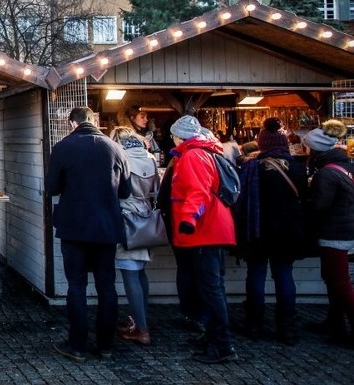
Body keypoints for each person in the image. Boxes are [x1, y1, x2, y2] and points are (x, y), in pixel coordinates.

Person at [45, 106, 130, 362]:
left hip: (75, 226)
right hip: (106, 228)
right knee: (107, 287)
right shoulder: (115, 148)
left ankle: (77, 345)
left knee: (77, 287)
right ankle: (106, 345)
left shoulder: (63, 147)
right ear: (93, 121)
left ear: (73, 123)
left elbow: (52, 188)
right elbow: (125, 191)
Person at [168, 114, 238, 363]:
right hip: (211, 228)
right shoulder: (205, 152)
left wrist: (188, 220)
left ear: (180, 136)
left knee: (210, 289)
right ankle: (213, 337)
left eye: (173, 134)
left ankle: (222, 344)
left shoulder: (193, 156)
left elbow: (198, 191)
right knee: (211, 287)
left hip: (204, 231)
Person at [236, 117, 308, 345]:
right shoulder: (298, 168)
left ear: (262, 144)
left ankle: (254, 324)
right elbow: (305, 200)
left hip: (257, 229)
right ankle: (287, 327)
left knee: (256, 275)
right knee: (284, 276)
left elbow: (241, 200)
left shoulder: (251, 168)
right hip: (287, 230)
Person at [302, 119, 354, 346]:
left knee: (339, 281)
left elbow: (319, 206)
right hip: (346, 229)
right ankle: (335, 322)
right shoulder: (346, 167)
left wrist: (305, 202)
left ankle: (347, 325)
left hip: (335, 233)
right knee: (333, 279)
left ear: (316, 149)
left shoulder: (326, 174)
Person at [110, 126, 160, 346]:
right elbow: (156, 189)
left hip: (126, 218)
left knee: (130, 274)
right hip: (145, 216)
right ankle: (138, 320)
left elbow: (114, 189)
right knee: (140, 273)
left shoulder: (119, 157)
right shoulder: (149, 158)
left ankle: (141, 328)